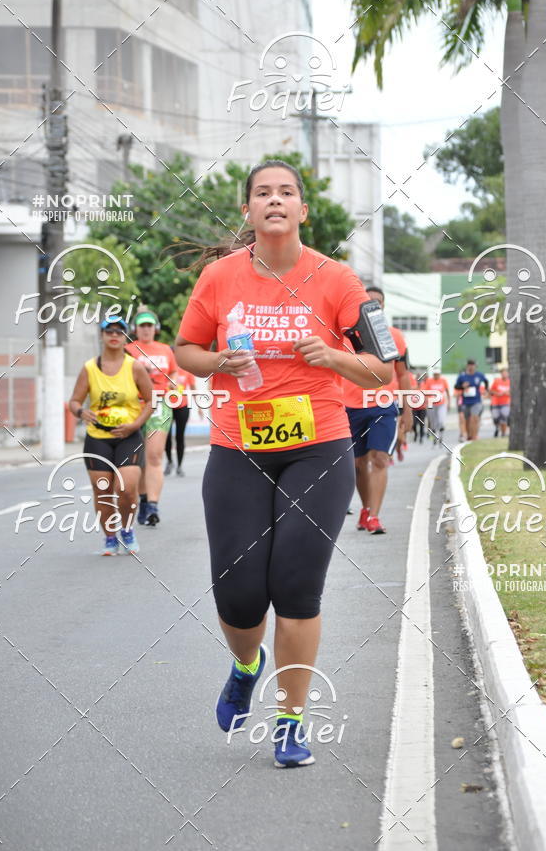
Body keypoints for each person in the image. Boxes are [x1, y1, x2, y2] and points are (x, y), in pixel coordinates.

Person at [175, 159, 393, 768]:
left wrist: (330, 356)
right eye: (263, 193)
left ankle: (291, 720)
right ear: (247, 211)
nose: (275, 200)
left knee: (296, 585)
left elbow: (384, 370)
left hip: (317, 445)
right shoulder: (220, 278)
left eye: (287, 192)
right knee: (239, 593)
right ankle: (247, 665)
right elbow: (186, 349)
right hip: (238, 446)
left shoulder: (337, 280)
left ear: (303, 210)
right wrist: (221, 363)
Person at [68, 316, 152, 555]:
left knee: (126, 489)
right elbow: (74, 401)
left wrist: (135, 425)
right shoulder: (90, 368)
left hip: (129, 436)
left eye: (119, 331)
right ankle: (110, 537)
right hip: (98, 437)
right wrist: (81, 411)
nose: (114, 335)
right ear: (102, 335)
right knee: (103, 490)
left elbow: (150, 401)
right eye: (109, 331)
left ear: (125, 336)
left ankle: (127, 529)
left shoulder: (134, 366)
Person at [342, 285, 412, 535]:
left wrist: (408, 411)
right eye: (368, 301)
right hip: (349, 407)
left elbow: (403, 375)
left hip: (384, 404)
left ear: (383, 307)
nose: (374, 305)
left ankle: (374, 516)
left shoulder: (394, 336)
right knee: (358, 463)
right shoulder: (345, 336)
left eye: (378, 302)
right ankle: (365, 508)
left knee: (380, 458)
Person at [126, 308, 178, 526]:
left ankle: (153, 507)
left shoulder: (166, 349)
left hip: (160, 404)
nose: (146, 329)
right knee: (138, 460)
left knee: (155, 455)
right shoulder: (127, 350)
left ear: (155, 329)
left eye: (149, 325)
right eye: (142, 325)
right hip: (134, 405)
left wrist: (173, 383)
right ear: (135, 329)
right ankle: (144, 500)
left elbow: (173, 372)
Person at [165, 358, 195, 476]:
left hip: (183, 406)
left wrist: (200, 406)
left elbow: (193, 388)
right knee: (166, 437)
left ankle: (179, 466)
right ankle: (170, 461)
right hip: (167, 406)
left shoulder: (187, 370)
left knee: (179, 436)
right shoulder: (167, 371)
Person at [454, 360, 489, 441]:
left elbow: (486, 381)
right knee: (467, 420)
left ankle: (475, 436)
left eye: (472, 365)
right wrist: (462, 386)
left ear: (475, 366)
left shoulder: (479, 375)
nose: (471, 367)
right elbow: (456, 386)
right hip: (465, 402)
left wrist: (486, 390)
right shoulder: (462, 376)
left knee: (475, 418)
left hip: (476, 401)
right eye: (469, 365)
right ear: (467, 366)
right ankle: (469, 435)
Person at [423, 369, 450, 445]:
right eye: (435, 374)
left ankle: (441, 435)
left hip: (441, 404)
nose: (436, 376)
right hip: (431, 404)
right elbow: (425, 392)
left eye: (437, 374)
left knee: (441, 420)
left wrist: (449, 402)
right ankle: (435, 436)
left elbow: (447, 391)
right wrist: (425, 402)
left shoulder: (443, 381)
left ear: (439, 374)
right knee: (433, 422)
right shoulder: (429, 381)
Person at [490, 368, 511, 437]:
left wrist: (507, 393)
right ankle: (497, 428)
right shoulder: (497, 381)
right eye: (503, 373)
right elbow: (491, 391)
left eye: (505, 373)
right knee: (496, 418)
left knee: (504, 418)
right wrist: (497, 393)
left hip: (505, 403)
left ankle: (503, 433)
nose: (504, 374)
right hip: (496, 403)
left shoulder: (510, 382)